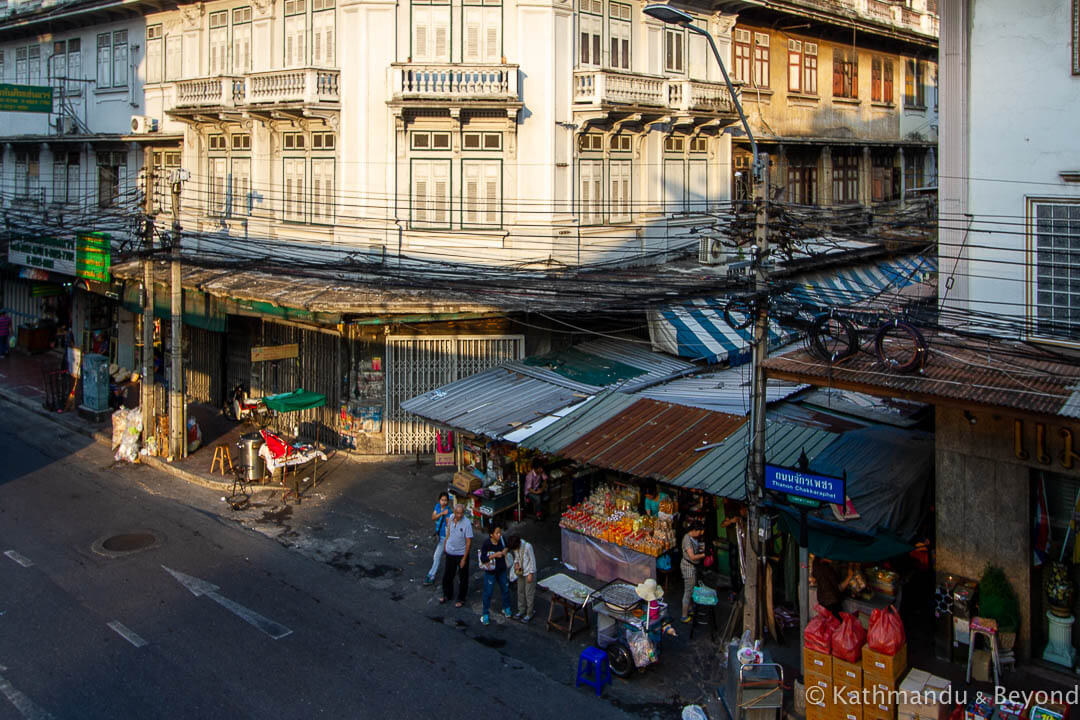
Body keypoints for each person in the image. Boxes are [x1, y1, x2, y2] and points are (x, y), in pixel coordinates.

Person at [479, 524, 512, 625]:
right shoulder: (487, 544)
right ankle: (485, 614)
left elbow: (507, 547)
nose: (499, 535)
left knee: (505, 589)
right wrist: (494, 555)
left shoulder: (502, 539)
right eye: (497, 533)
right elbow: (483, 558)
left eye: (500, 533)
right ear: (491, 535)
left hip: (501, 569)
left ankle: (506, 608)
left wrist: (505, 550)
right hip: (491, 571)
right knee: (488, 592)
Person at [441, 503, 473, 608]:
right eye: (457, 513)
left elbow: (468, 542)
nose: (459, 515)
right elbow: (448, 531)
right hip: (450, 552)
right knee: (448, 575)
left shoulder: (467, 523)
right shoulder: (450, 518)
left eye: (461, 513)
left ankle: (461, 598)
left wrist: (464, 558)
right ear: (454, 512)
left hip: (461, 553)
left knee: (463, 577)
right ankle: (447, 595)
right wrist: (446, 543)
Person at [507, 535, 537, 622]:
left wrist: (531, 573)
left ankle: (529, 613)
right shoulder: (516, 548)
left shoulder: (528, 546)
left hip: (529, 572)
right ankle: (521, 610)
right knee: (520, 591)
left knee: (529, 594)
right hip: (521, 572)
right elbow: (516, 557)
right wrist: (516, 563)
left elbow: (532, 560)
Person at [680, 522, 706, 622]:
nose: (700, 534)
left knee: (690, 588)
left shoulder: (692, 538)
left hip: (692, 566)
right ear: (694, 530)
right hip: (688, 567)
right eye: (699, 532)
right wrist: (704, 554)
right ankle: (684, 615)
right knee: (688, 591)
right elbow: (692, 557)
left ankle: (690, 609)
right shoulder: (687, 539)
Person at [425, 492, 452, 585]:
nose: (443, 502)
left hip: (444, 537)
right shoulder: (437, 507)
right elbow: (433, 517)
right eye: (442, 500)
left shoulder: (449, 512)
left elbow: (449, 526)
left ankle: (431, 575)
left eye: (445, 500)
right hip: (439, 535)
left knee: (436, 556)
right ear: (439, 500)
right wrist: (441, 513)